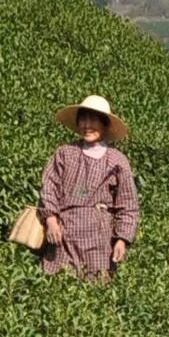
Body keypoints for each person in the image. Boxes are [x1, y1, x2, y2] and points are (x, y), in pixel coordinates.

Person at [39, 96, 140, 280]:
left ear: (105, 125)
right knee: (58, 285)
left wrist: (122, 239)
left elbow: (128, 205)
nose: (87, 125)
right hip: (63, 234)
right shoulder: (65, 153)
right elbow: (48, 187)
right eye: (83, 119)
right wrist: (51, 220)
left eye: (93, 120)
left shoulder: (117, 161)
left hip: (99, 239)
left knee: (94, 289)